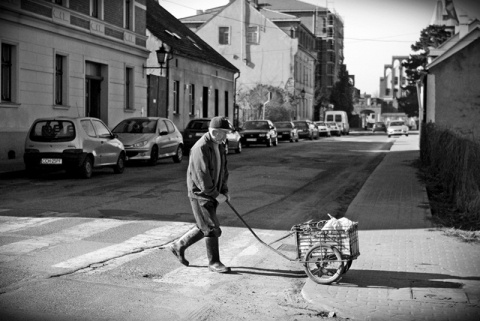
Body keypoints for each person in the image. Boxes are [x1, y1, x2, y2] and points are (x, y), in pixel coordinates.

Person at [168, 116, 232, 273]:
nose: (226, 136)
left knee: (204, 225)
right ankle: (214, 262)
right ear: (215, 132)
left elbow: (223, 170)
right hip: (200, 194)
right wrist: (216, 194)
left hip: (212, 192)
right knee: (211, 227)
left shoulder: (220, 145)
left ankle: (179, 245)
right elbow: (200, 176)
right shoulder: (200, 148)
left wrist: (224, 190)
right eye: (224, 133)